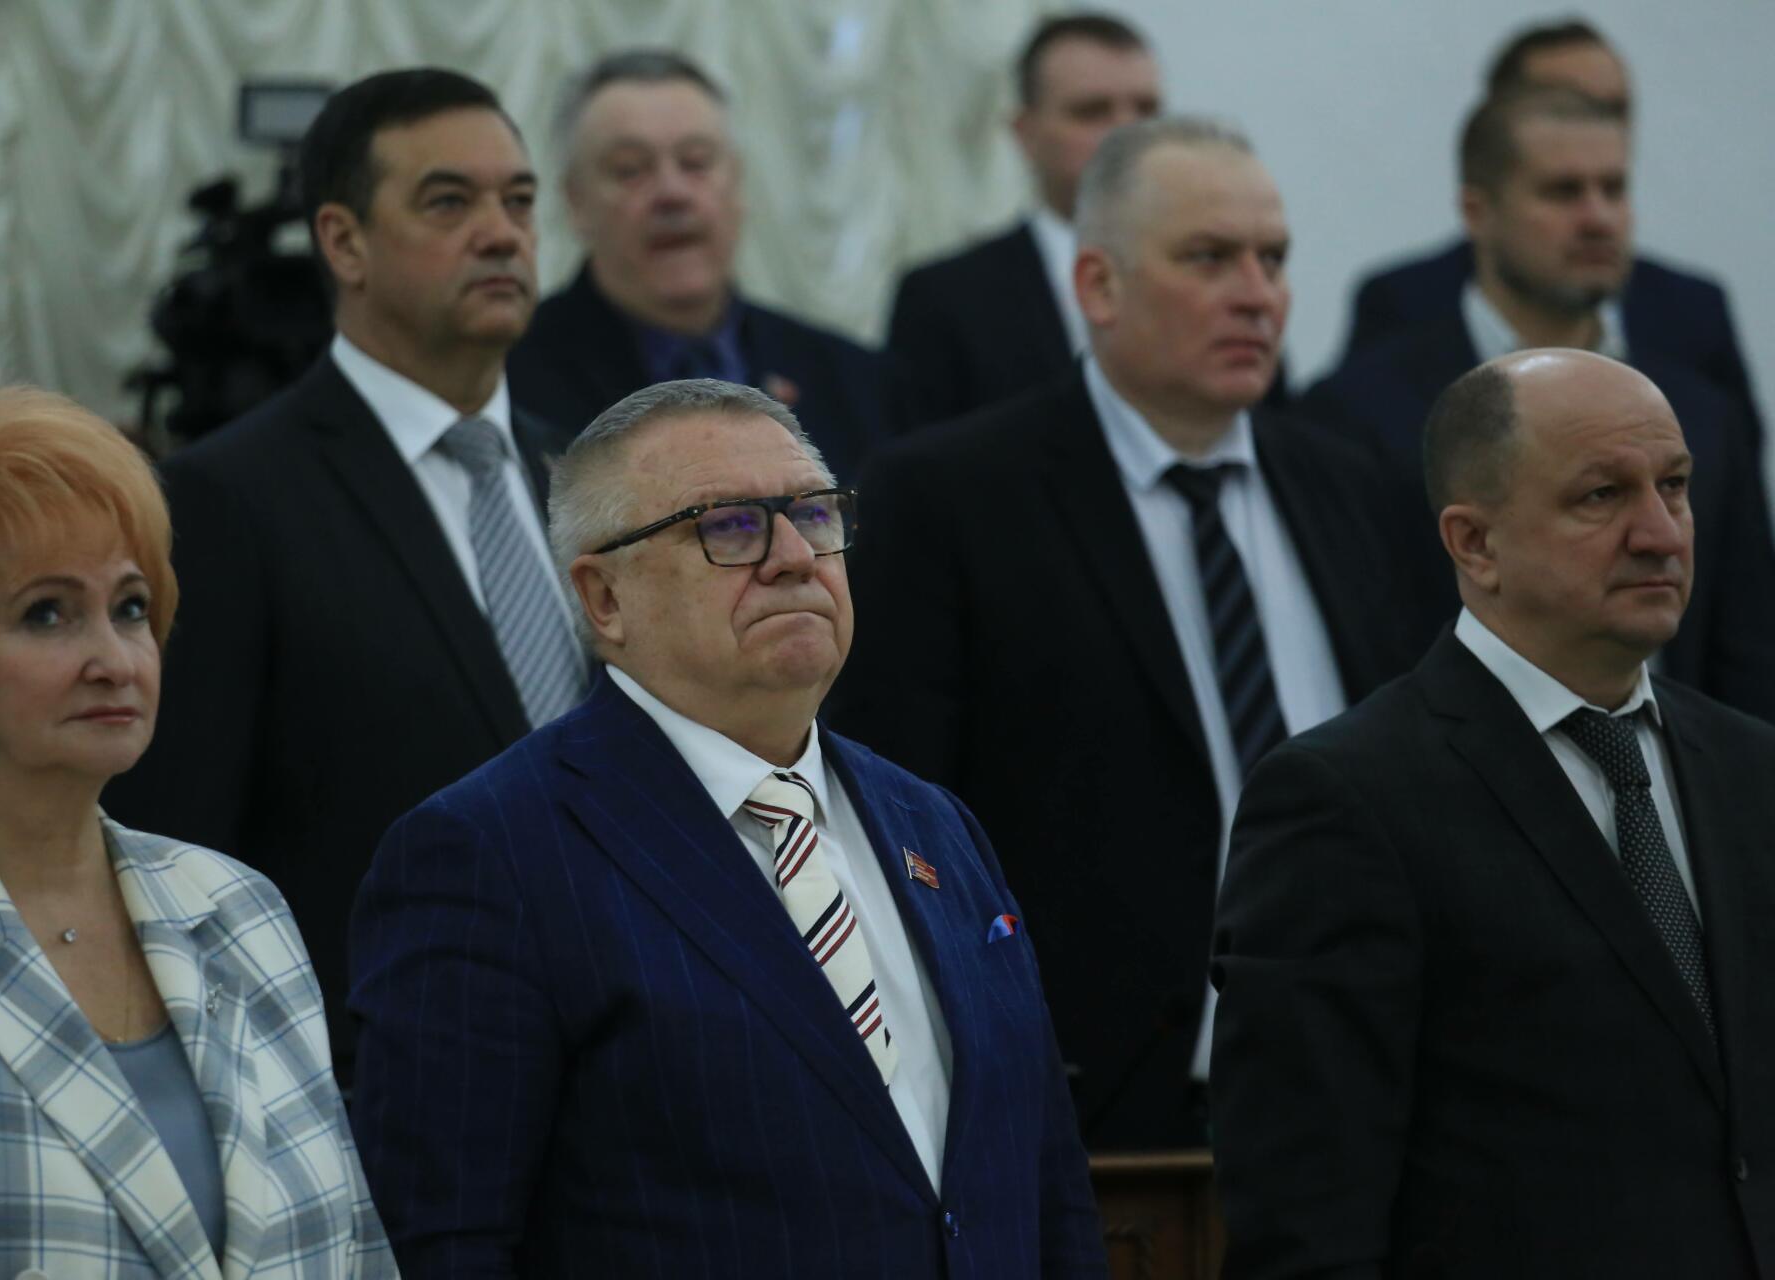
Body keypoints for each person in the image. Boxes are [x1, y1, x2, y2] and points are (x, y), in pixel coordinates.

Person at [348, 379, 1106, 1278]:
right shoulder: (489, 854)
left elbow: (1048, 1187)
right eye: (730, 527)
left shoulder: (933, 824)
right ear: (604, 598)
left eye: (814, 515)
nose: (794, 557)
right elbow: (445, 1242)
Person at [829, 119, 1413, 1150]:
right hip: (1087, 1105)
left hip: (1361, 1089)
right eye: (1209, 258)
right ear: (1098, 285)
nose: (1257, 294)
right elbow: (895, 821)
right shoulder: (951, 496)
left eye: (1273, 259)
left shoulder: (1354, 485)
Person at [1211, 350, 1775, 1277]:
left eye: (1674, 486)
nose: (1659, 533)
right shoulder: (1347, 799)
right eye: (1601, 495)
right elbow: (1305, 1213)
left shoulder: (1752, 768)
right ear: (1474, 542)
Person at [103, 68, 587, 1085]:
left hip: (616, 1078)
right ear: (344, 241)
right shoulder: (225, 499)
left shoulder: (586, 478)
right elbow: (178, 851)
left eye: (519, 201)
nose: (501, 234)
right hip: (371, 1088)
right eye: (449, 202)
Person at [0, 387, 392, 1275]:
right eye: (48, 613)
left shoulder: (237, 907)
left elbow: (358, 1250)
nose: (114, 659)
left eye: (131, 607)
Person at [1302, 86, 1775, 717]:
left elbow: (1748, 650)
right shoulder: (1359, 414)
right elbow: (1361, 643)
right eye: (1563, 191)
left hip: (1669, 763)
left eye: (1614, 189)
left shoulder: (1701, 409)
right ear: (1478, 211)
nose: (1598, 217)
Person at [1339, 18, 1758, 434]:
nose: (1598, 218)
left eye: (1614, 108)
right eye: (1563, 191)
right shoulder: (1400, 317)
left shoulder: (1697, 370)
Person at [507, 49, 894, 482]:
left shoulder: (854, 381)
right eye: (630, 170)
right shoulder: (511, 383)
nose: (671, 193)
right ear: (576, 201)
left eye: (696, 162)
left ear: (737, 183)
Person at [884, 13, 1162, 426]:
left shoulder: (1222, 278)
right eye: (1092, 112)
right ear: (1026, 133)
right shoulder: (945, 300)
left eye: (1146, 110)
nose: (1126, 133)